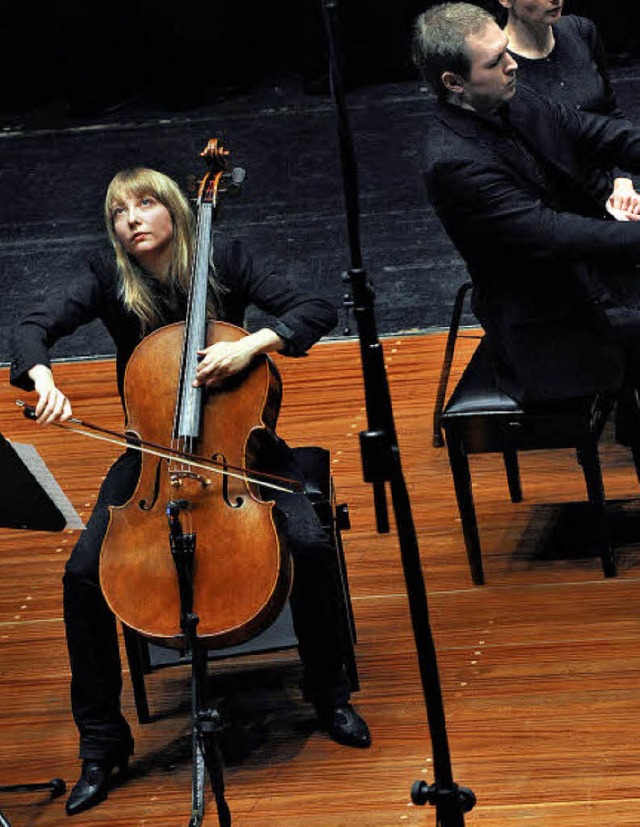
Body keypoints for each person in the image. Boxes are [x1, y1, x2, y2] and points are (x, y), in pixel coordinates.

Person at [9, 166, 371, 816]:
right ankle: (102, 744)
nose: (133, 220)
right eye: (121, 212)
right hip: (151, 452)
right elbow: (32, 325)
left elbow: (314, 307)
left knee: (310, 543)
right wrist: (42, 378)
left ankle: (329, 692)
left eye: (145, 204)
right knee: (82, 575)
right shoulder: (105, 274)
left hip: (241, 448)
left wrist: (252, 344)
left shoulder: (223, 256)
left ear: (176, 208)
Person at [411, 2, 640, 426]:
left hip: (589, 280)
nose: (513, 65)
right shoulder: (453, 162)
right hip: (549, 321)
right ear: (454, 82)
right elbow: (553, 233)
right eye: (496, 61)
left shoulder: (511, 99)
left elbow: (602, 133)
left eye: (506, 51)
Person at [497, 0, 640, 217]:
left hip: (611, 195)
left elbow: (609, 113)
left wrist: (622, 182)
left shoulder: (580, 30)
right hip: (554, 215)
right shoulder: (497, 66)